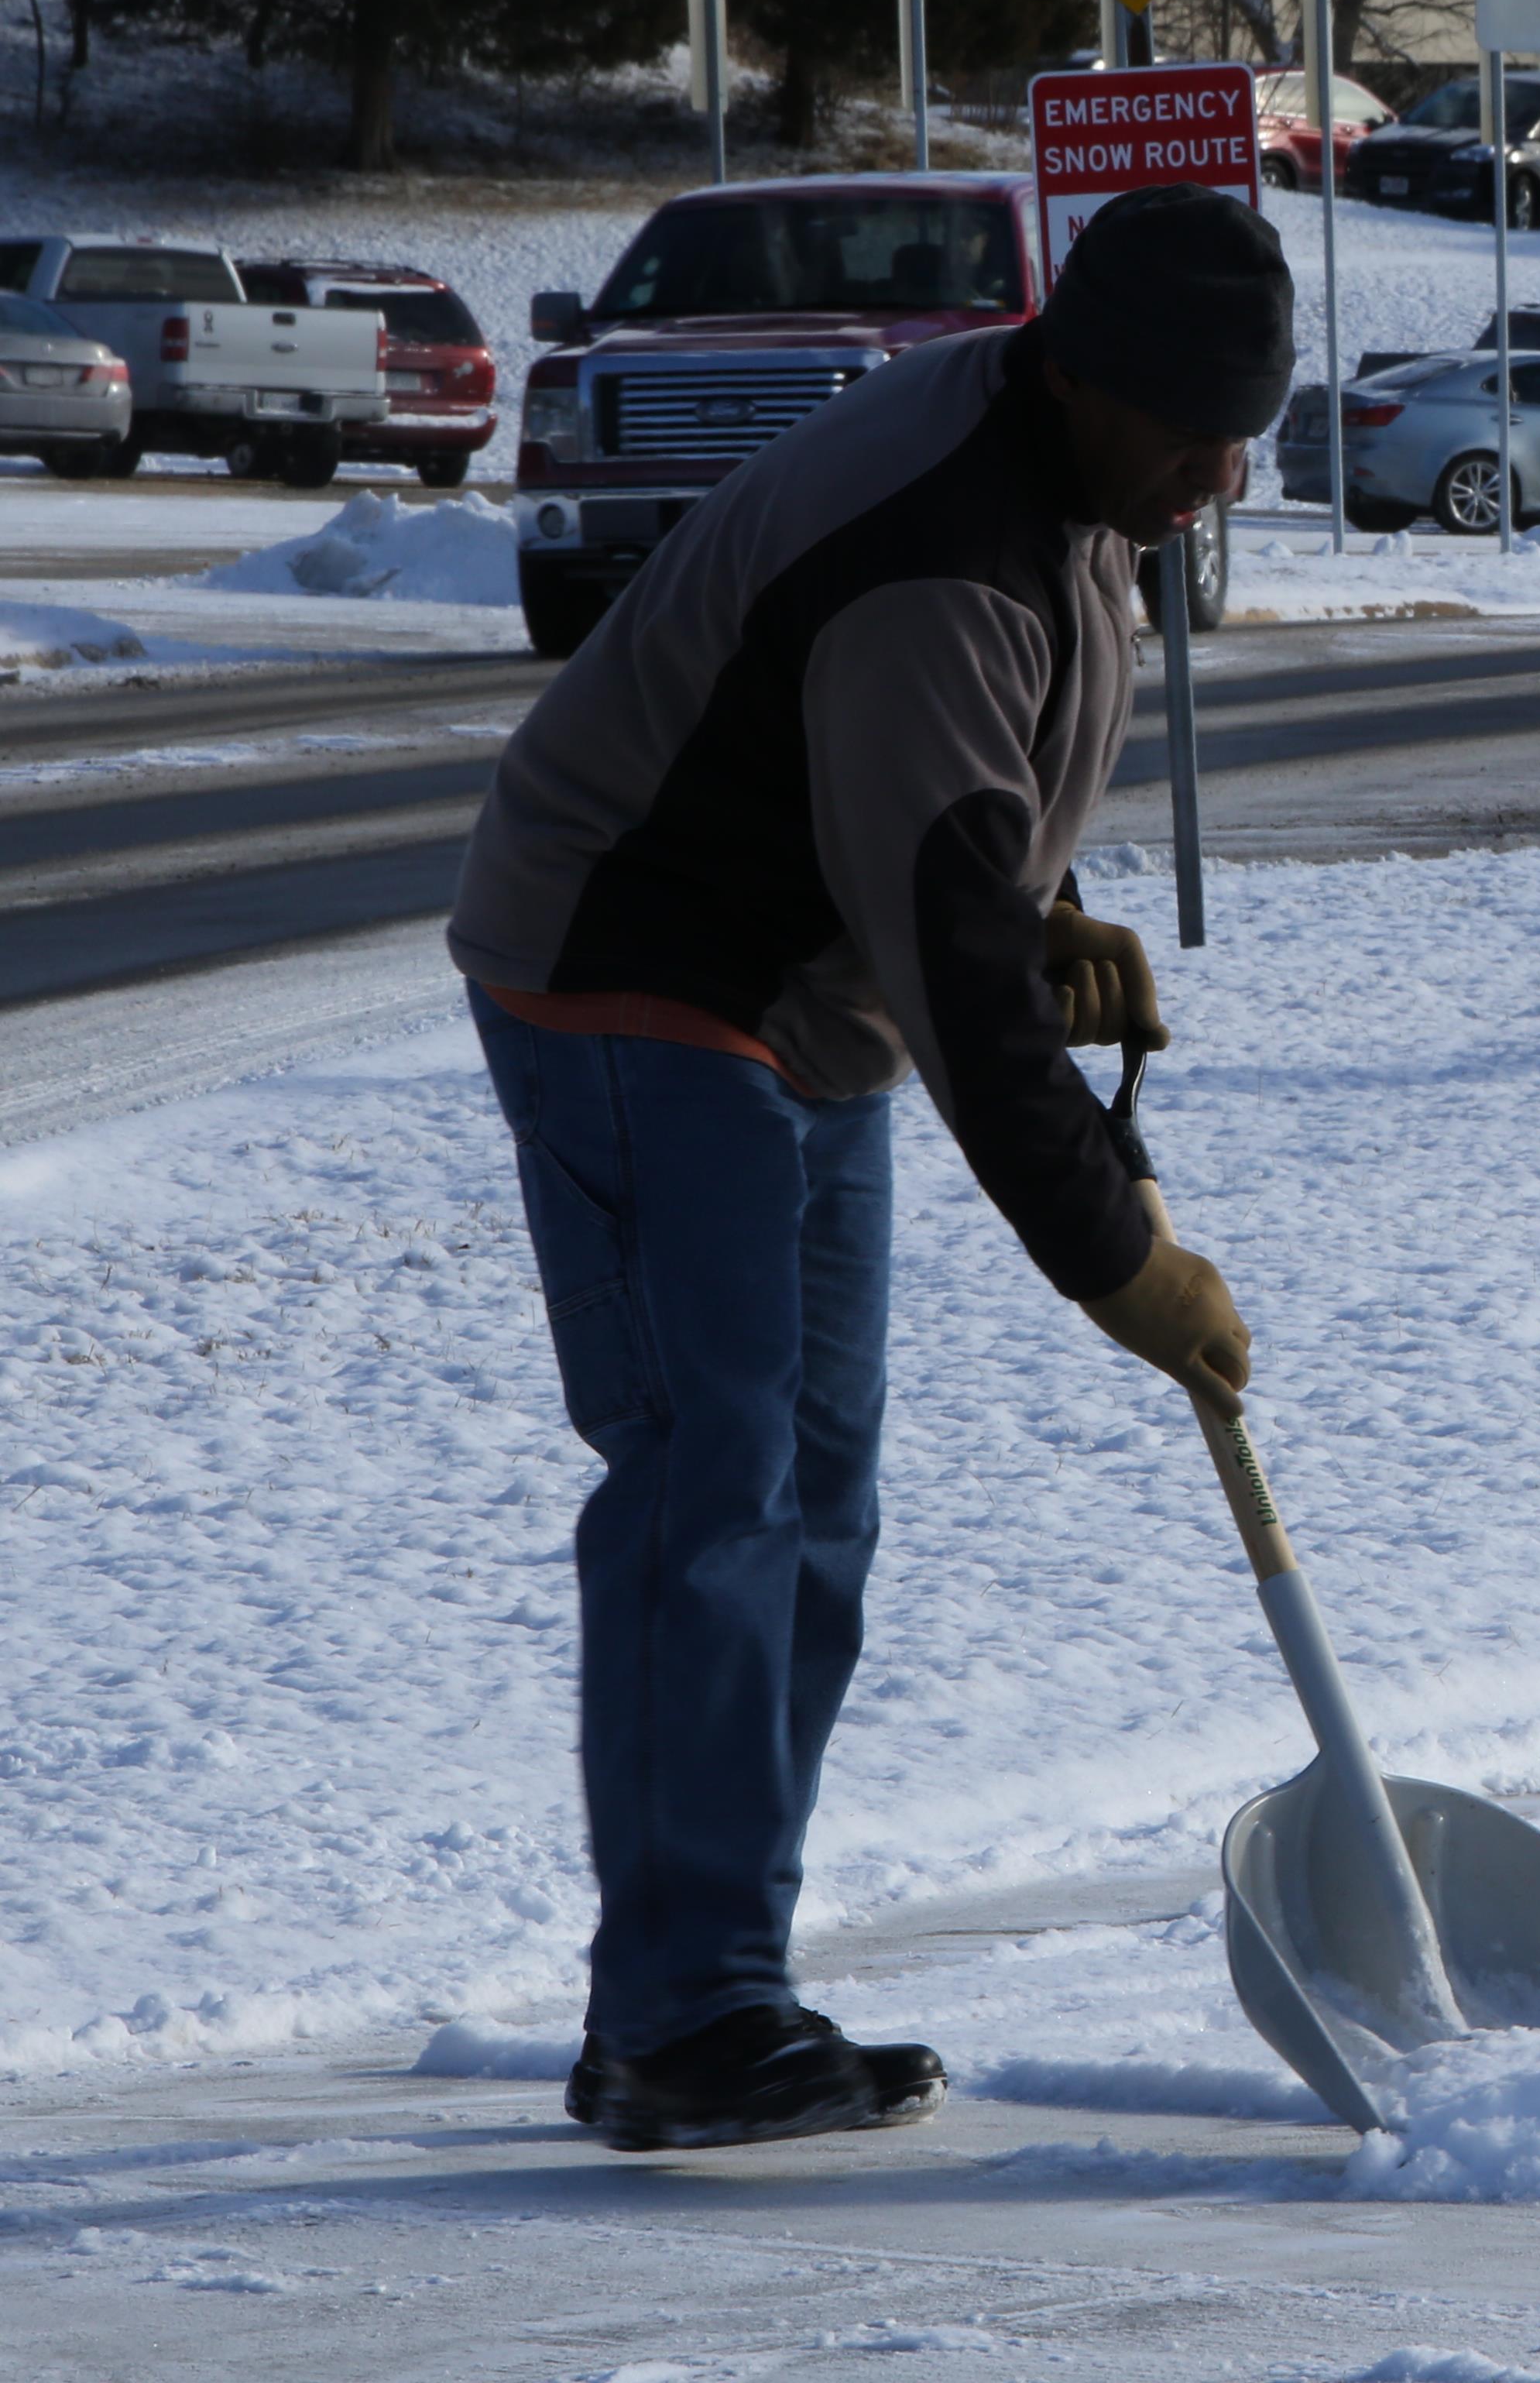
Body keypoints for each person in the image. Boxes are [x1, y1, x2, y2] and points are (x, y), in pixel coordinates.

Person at [451, 184, 1278, 2151]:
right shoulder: (943, 555)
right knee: (714, 1478)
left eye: (1241, 437)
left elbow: (954, 834)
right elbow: (962, 989)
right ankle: (687, 2015)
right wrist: (1118, 1259)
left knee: (819, 1498)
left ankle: (702, 1991)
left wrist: (1036, 898)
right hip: (640, 967)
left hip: (806, 996)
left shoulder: (1072, 478)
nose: (1214, 479)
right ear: (1083, 377)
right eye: (1188, 435)